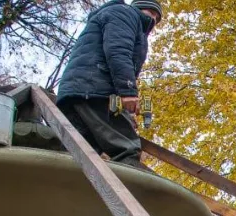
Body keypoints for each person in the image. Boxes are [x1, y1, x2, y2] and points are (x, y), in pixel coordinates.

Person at [55, 0, 163, 168]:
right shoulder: (126, 14)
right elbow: (118, 51)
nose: (154, 19)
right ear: (139, 8)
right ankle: (136, 192)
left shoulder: (120, 17)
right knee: (126, 148)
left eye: (157, 17)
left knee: (77, 155)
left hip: (79, 90)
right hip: (96, 90)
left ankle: (61, 189)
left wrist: (127, 110)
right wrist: (128, 92)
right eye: (151, 12)